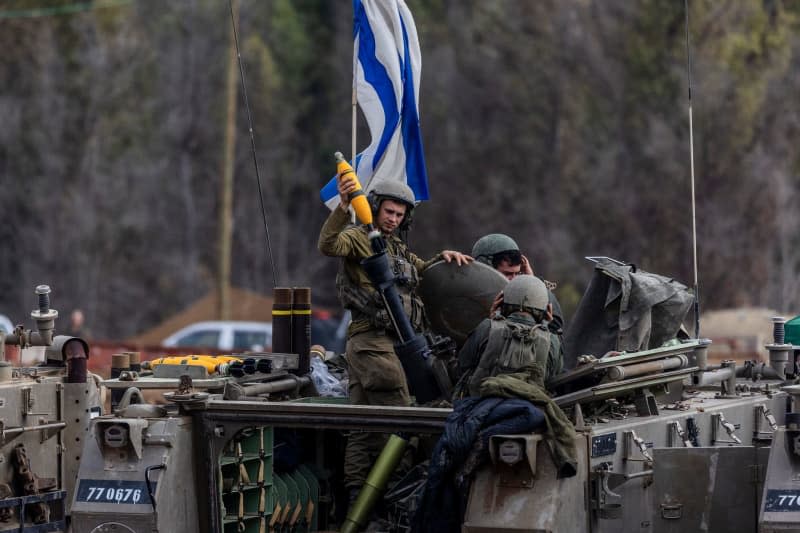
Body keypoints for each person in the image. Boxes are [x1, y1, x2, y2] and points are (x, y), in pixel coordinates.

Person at [318, 173, 471, 500]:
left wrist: (444, 259)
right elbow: (329, 245)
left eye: (400, 215)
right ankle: (395, 499)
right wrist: (343, 208)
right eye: (389, 212)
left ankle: (357, 501)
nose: (393, 219)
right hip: (372, 342)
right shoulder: (361, 237)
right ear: (375, 208)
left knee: (362, 429)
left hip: (385, 344)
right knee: (404, 421)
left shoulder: (396, 247)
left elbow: (419, 275)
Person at [453, 275, 562, 399]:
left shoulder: (487, 327)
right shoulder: (552, 341)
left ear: (501, 301)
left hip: (480, 406)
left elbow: (462, 366)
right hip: (530, 410)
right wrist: (545, 326)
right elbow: (552, 377)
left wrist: (494, 319)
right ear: (547, 309)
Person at [471, 233, 564, 334]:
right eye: (507, 274)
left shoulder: (518, 300)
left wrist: (532, 282)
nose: (515, 280)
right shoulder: (467, 295)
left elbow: (555, 326)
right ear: (486, 269)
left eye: (517, 273)